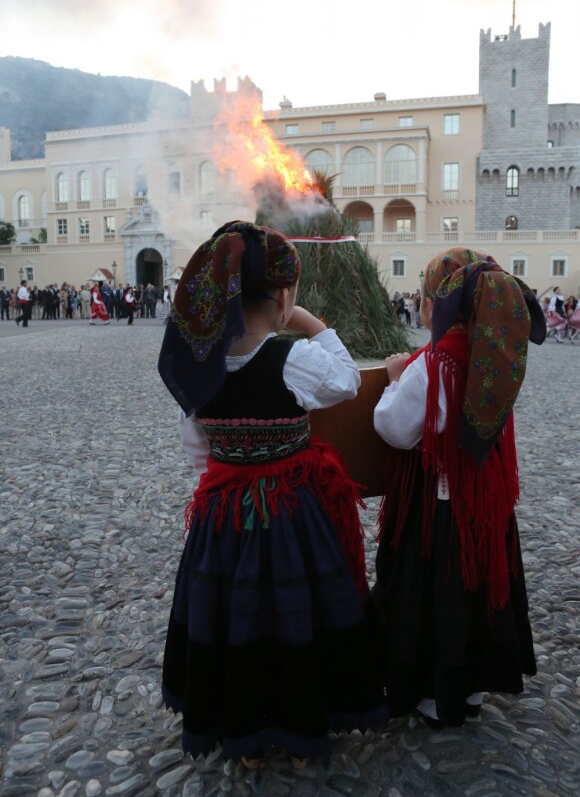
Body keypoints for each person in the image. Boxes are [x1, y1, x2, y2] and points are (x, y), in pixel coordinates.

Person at [157, 220, 387, 767]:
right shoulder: (293, 359)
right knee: (296, 615)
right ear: (284, 295)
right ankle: (301, 720)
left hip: (223, 520)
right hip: (291, 516)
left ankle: (244, 733)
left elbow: (197, 452)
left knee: (235, 619)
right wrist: (310, 322)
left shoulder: (202, 369)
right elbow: (347, 381)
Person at [370, 247, 546, 728]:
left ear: (437, 304)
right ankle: (470, 689)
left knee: (436, 598)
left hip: (438, 510)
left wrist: (391, 379)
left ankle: (433, 694)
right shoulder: (498, 353)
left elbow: (395, 428)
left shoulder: (435, 363)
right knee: (480, 592)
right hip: (486, 505)